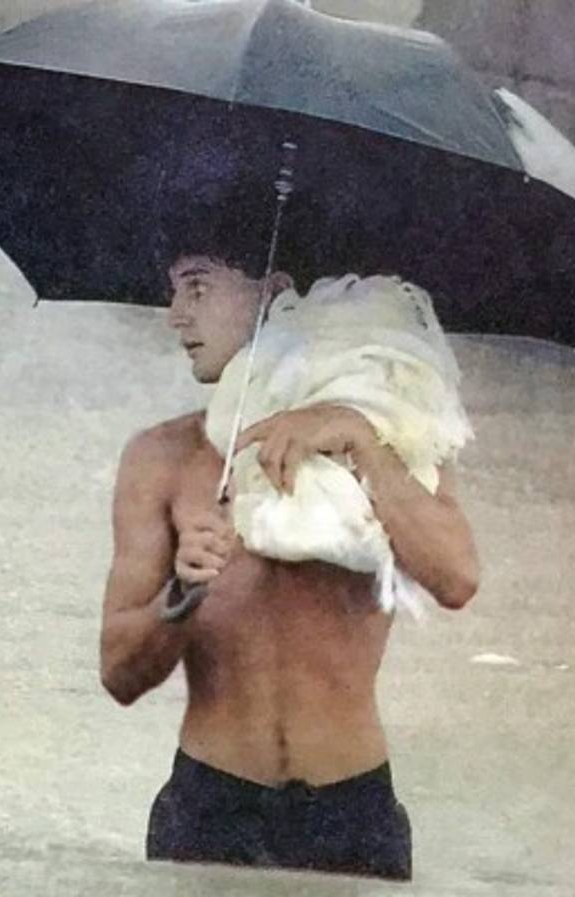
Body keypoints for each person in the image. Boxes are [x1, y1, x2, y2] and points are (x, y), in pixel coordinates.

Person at [99, 216, 479, 880]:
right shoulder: (163, 458)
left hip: (352, 811)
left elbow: (457, 577)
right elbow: (119, 673)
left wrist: (360, 440)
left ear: (274, 290)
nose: (175, 316)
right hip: (209, 805)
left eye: (198, 287)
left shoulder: (387, 435)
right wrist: (182, 593)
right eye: (173, 291)